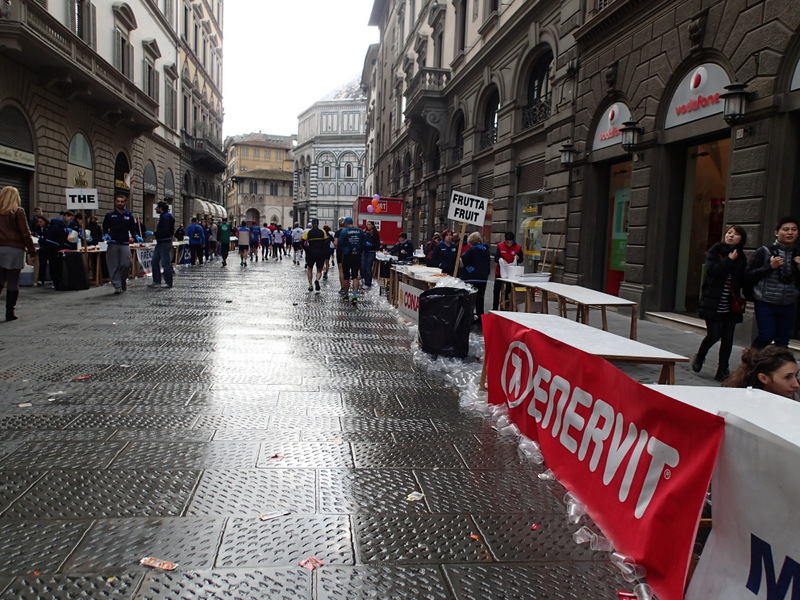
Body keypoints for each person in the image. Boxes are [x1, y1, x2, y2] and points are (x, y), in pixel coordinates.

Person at [691, 225, 748, 381]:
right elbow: (712, 271)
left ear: (741, 239)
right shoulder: (715, 251)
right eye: (729, 233)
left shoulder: (741, 256)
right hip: (713, 302)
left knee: (728, 338)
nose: (731, 236)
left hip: (731, 304)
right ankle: (700, 356)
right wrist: (729, 260)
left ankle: (722, 369)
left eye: (736, 234)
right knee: (714, 335)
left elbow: (743, 279)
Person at [744, 216, 800, 348]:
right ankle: (749, 362)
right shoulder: (764, 251)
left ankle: (776, 367)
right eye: (786, 229)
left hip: (788, 303)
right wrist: (770, 267)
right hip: (765, 301)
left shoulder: (797, 254)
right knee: (766, 336)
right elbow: (747, 275)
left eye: (794, 230)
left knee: (783, 341)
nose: (790, 233)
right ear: (776, 232)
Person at [0, 186, 37, 320]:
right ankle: (10, 312)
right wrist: (32, 251)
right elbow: (25, 233)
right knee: (12, 280)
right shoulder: (18, 211)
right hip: (14, 249)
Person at [723, 346, 799, 399]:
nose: (796, 384)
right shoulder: (742, 404)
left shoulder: (795, 397)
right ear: (763, 378)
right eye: (787, 377)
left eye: (796, 375)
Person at [102, 194, 141, 294]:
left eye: (122, 201)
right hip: (113, 243)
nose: (120, 203)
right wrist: (106, 234)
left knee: (126, 264)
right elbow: (105, 227)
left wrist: (136, 236)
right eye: (118, 201)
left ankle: (123, 280)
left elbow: (133, 229)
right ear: (115, 202)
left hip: (124, 243)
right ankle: (117, 286)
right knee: (113, 265)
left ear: (125, 202)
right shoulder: (110, 215)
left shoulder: (129, 215)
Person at [460, 231, 491, 325]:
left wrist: (469, 268)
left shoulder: (472, 250)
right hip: (483, 278)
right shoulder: (485, 250)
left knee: (471, 298)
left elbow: (464, 259)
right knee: (480, 298)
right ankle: (480, 317)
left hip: (472, 277)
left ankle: (470, 317)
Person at [492, 232, 524, 311]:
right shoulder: (500, 246)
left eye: (510, 242)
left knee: (508, 291)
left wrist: (518, 258)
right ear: (505, 241)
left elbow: (521, 259)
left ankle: (505, 306)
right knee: (496, 290)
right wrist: (502, 260)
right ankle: (495, 308)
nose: (509, 244)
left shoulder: (518, 248)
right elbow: (496, 258)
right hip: (500, 272)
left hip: (511, 273)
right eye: (507, 242)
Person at [148, 201, 175, 289]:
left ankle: (168, 282)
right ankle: (156, 281)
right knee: (155, 261)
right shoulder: (165, 217)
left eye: (157, 207)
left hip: (164, 241)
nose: (156, 209)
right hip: (161, 242)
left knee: (165, 263)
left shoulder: (165, 218)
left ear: (161, 208)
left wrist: (154, 233)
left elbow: (165, 231)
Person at [338, 216, 365, 303]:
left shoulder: (344, 231)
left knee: (346, 277)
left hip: (347, 255)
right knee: (355, 276)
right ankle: (355, 295)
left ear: (346, 223)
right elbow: (363, 243)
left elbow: (340, 243)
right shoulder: (360, 231)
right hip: (357, 255)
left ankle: (346, 295)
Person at [303, 218, 329, 292]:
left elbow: (303, 241)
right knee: (319, 269)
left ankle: (310, 285)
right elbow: (326, 241)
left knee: (310, 268)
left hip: (311, 252)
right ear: (318, 224)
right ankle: (317, 279)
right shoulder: (322, 232)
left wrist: (306, 249)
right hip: (320, 252)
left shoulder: (308, 233)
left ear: (312, 224)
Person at [361, 221, 381, 288]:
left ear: (372, 226)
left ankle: (368, 283)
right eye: (367, 224)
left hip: (371, 252)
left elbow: (378, 244)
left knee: (368, 268)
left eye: (369, 224)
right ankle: (365, 279)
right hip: (364, 251)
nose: (368, 226)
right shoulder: (365, 233)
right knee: (363, 267)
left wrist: (371, 245)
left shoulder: (375, 233)